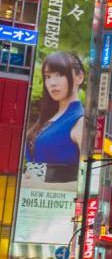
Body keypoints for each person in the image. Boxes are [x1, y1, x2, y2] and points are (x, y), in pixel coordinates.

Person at [24, 52, 85, 183]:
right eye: (48, 76)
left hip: (59, 198)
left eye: (59, 75)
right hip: (28, 196)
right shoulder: (46, 119)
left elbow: (85, 177)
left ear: (79, 78)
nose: (52, 83)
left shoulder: (80, 121)